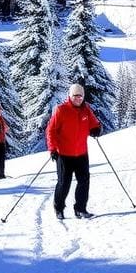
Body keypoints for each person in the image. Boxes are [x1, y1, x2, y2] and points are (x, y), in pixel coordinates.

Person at [46, 83, 102, 219]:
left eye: (81, 96)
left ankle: (80, 209)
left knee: (84, 181)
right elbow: (50, 131)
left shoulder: (86, 109)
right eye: (76, 96)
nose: (78, 98)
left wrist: (96, 129)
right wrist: (52, 149)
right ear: (70, 96)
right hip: (64, 154)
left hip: (81, 153)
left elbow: (94, 123)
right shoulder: (61, 110)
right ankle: (58, 208)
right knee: (64, 183)